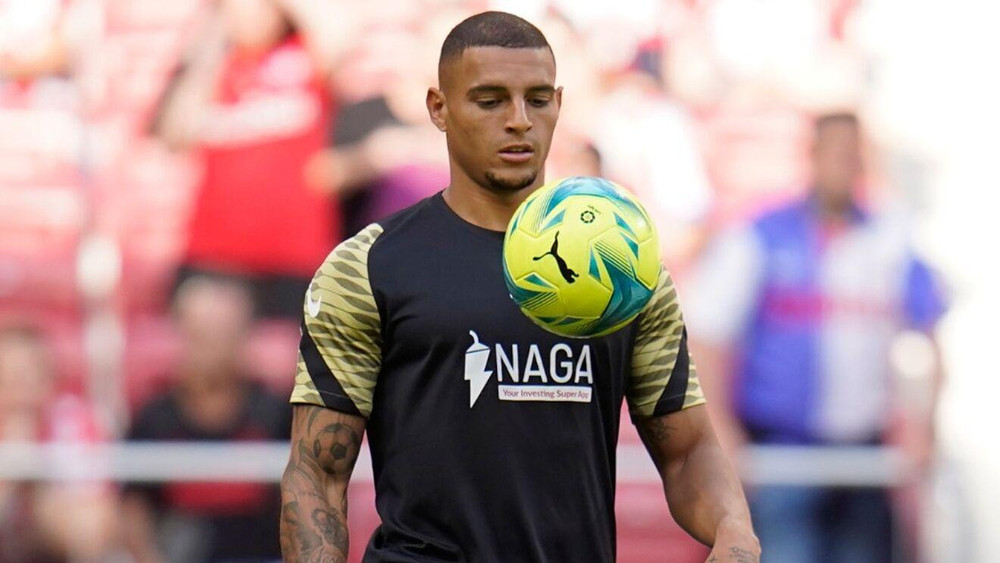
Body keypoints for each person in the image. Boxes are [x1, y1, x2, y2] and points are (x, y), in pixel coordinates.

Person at [280, 11, 758, 563]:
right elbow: (317, 472)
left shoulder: (626, 267)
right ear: (438, 108)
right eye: (490, 100)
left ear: (559, 103)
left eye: (537, 99)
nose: (518, 120)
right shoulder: (367, 265)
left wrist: (734, 531)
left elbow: (687, 450)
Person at [687, 112, 947, 563]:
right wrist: (721, 431)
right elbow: (707, 335)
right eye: (837, 153)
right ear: (813, 155)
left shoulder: (890, 239)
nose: (846, 165)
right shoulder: (760, 235)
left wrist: (924, 423)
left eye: (854, 155)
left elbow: (927, 335)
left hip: (864, 457)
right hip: (780, 456)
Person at [153, 0, 351, 319]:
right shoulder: (213, 68)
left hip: (295, 254)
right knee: (205, 329)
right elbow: (175, 134)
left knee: (293, 348)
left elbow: (339, 34)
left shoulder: (303, 56)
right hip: (215, 254)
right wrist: (210, 40)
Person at [121, 276, 292, 563]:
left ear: (243, 337)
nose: (210, 349)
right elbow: (133, 508)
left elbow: (305, 499)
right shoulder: (153, 418)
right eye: (201, 335)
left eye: (222, 335)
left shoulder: (276, 413)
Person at [0, 324, 118, 563]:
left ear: (49, 381)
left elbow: (91, 534)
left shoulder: (72, 422)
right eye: (9, 380)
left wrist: (35, 473)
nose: (21, 393)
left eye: (29, 378)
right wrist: (9, 475)